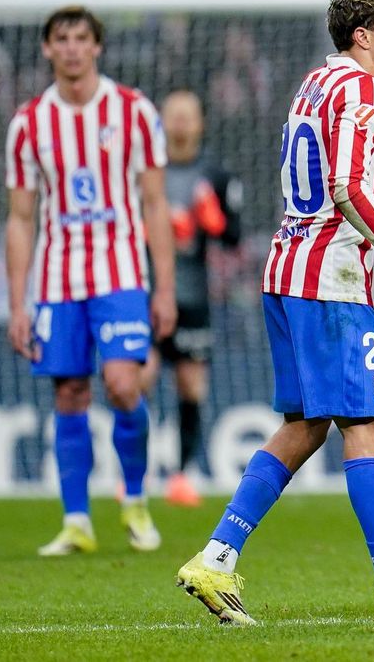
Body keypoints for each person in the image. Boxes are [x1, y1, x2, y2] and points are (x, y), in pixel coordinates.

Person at [176, 0, 374, 624]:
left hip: (287, 271)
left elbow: (341, 179)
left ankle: (216, 558)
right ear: (363, 34)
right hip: (330, 283)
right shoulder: (366, 92)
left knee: (307, 425)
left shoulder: (321, 81)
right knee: (370, 427)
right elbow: (347, 187)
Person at [5, 6, 177, 556]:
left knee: (124, 384)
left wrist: (164, 288)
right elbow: (21, 218)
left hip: (121, 271)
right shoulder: (29, 123)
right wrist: (17, 304)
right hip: (57, 280)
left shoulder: (134, 111)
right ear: (47, 49)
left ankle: (134, 498)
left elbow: (154, 206)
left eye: (83, 38)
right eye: (63, 39)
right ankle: (76, 520)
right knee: (70, 391)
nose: (73, 48)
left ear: (98, 47)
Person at [141, 90, 242, 507]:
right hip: (145, 294)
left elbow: (234, 237)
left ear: (200, 123)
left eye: (188, 116)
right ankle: (134, 474)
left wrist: (210, 220)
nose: (180, 123)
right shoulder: (145, 173)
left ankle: (181, 475)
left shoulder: (215, 174)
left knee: (190, 384)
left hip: (194, 296)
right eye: (173, 115)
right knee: (137, 380)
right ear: (162, 122)